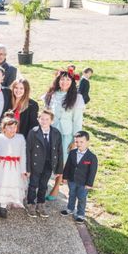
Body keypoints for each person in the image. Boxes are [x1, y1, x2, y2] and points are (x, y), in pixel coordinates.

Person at [42, 68, 85, 200]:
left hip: (66, 134)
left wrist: (76, 140)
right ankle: (43, 185)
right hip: (51, 132)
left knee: (62, 161)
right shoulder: (52, 95)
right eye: (62, 79)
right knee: (47, 159)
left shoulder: (76, 98)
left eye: (68, 79)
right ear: (58, 80)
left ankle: (56, 187)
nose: (64, 82)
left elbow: (77, 121)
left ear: (72, 82)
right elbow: (46, 114)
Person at [25, 109, 63, 218]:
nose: (44, 121)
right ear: (38, 119)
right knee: (33, 185)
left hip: (49, 164)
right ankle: (31, 203)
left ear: (52, 121)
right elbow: (27, 151)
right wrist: (27, 168)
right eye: (42, 119)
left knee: (43, 185)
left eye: (47, 119)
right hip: (35, 164)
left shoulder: (56, 133)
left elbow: (60, 152)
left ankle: (41, 204)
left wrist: (58, 170)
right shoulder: (33, 132)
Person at [60, 131, 98, 224]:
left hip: (83, 183)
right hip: (72, 180)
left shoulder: (92, 157)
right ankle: (70, 208)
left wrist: (89, 183)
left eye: (82, 142)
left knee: (81, 198)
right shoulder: (72, 153)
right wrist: (65, 177)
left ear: (87, 142)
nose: (79, 144)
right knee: (71, 194)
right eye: (76, 142)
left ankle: (81, 214)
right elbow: (68, 165)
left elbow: (92, 172)